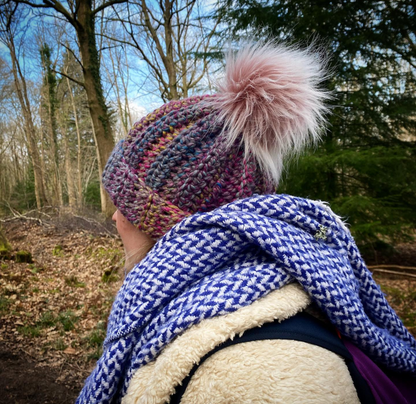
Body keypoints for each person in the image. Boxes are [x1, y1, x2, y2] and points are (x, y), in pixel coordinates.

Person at [77, 42, 416, 404]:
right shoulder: (213, 308)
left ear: (167, 220)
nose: (114, 216)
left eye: (124, 204)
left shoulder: (248, 373)